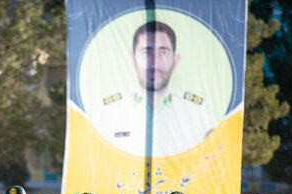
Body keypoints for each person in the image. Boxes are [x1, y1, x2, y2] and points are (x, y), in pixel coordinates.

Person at [92, 21, 214, 156]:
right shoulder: (110, 111)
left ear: (175, 60)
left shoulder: (197, 110)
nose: (154, 62)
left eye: (163, 52)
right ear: (132, 59)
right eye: (146, 52)